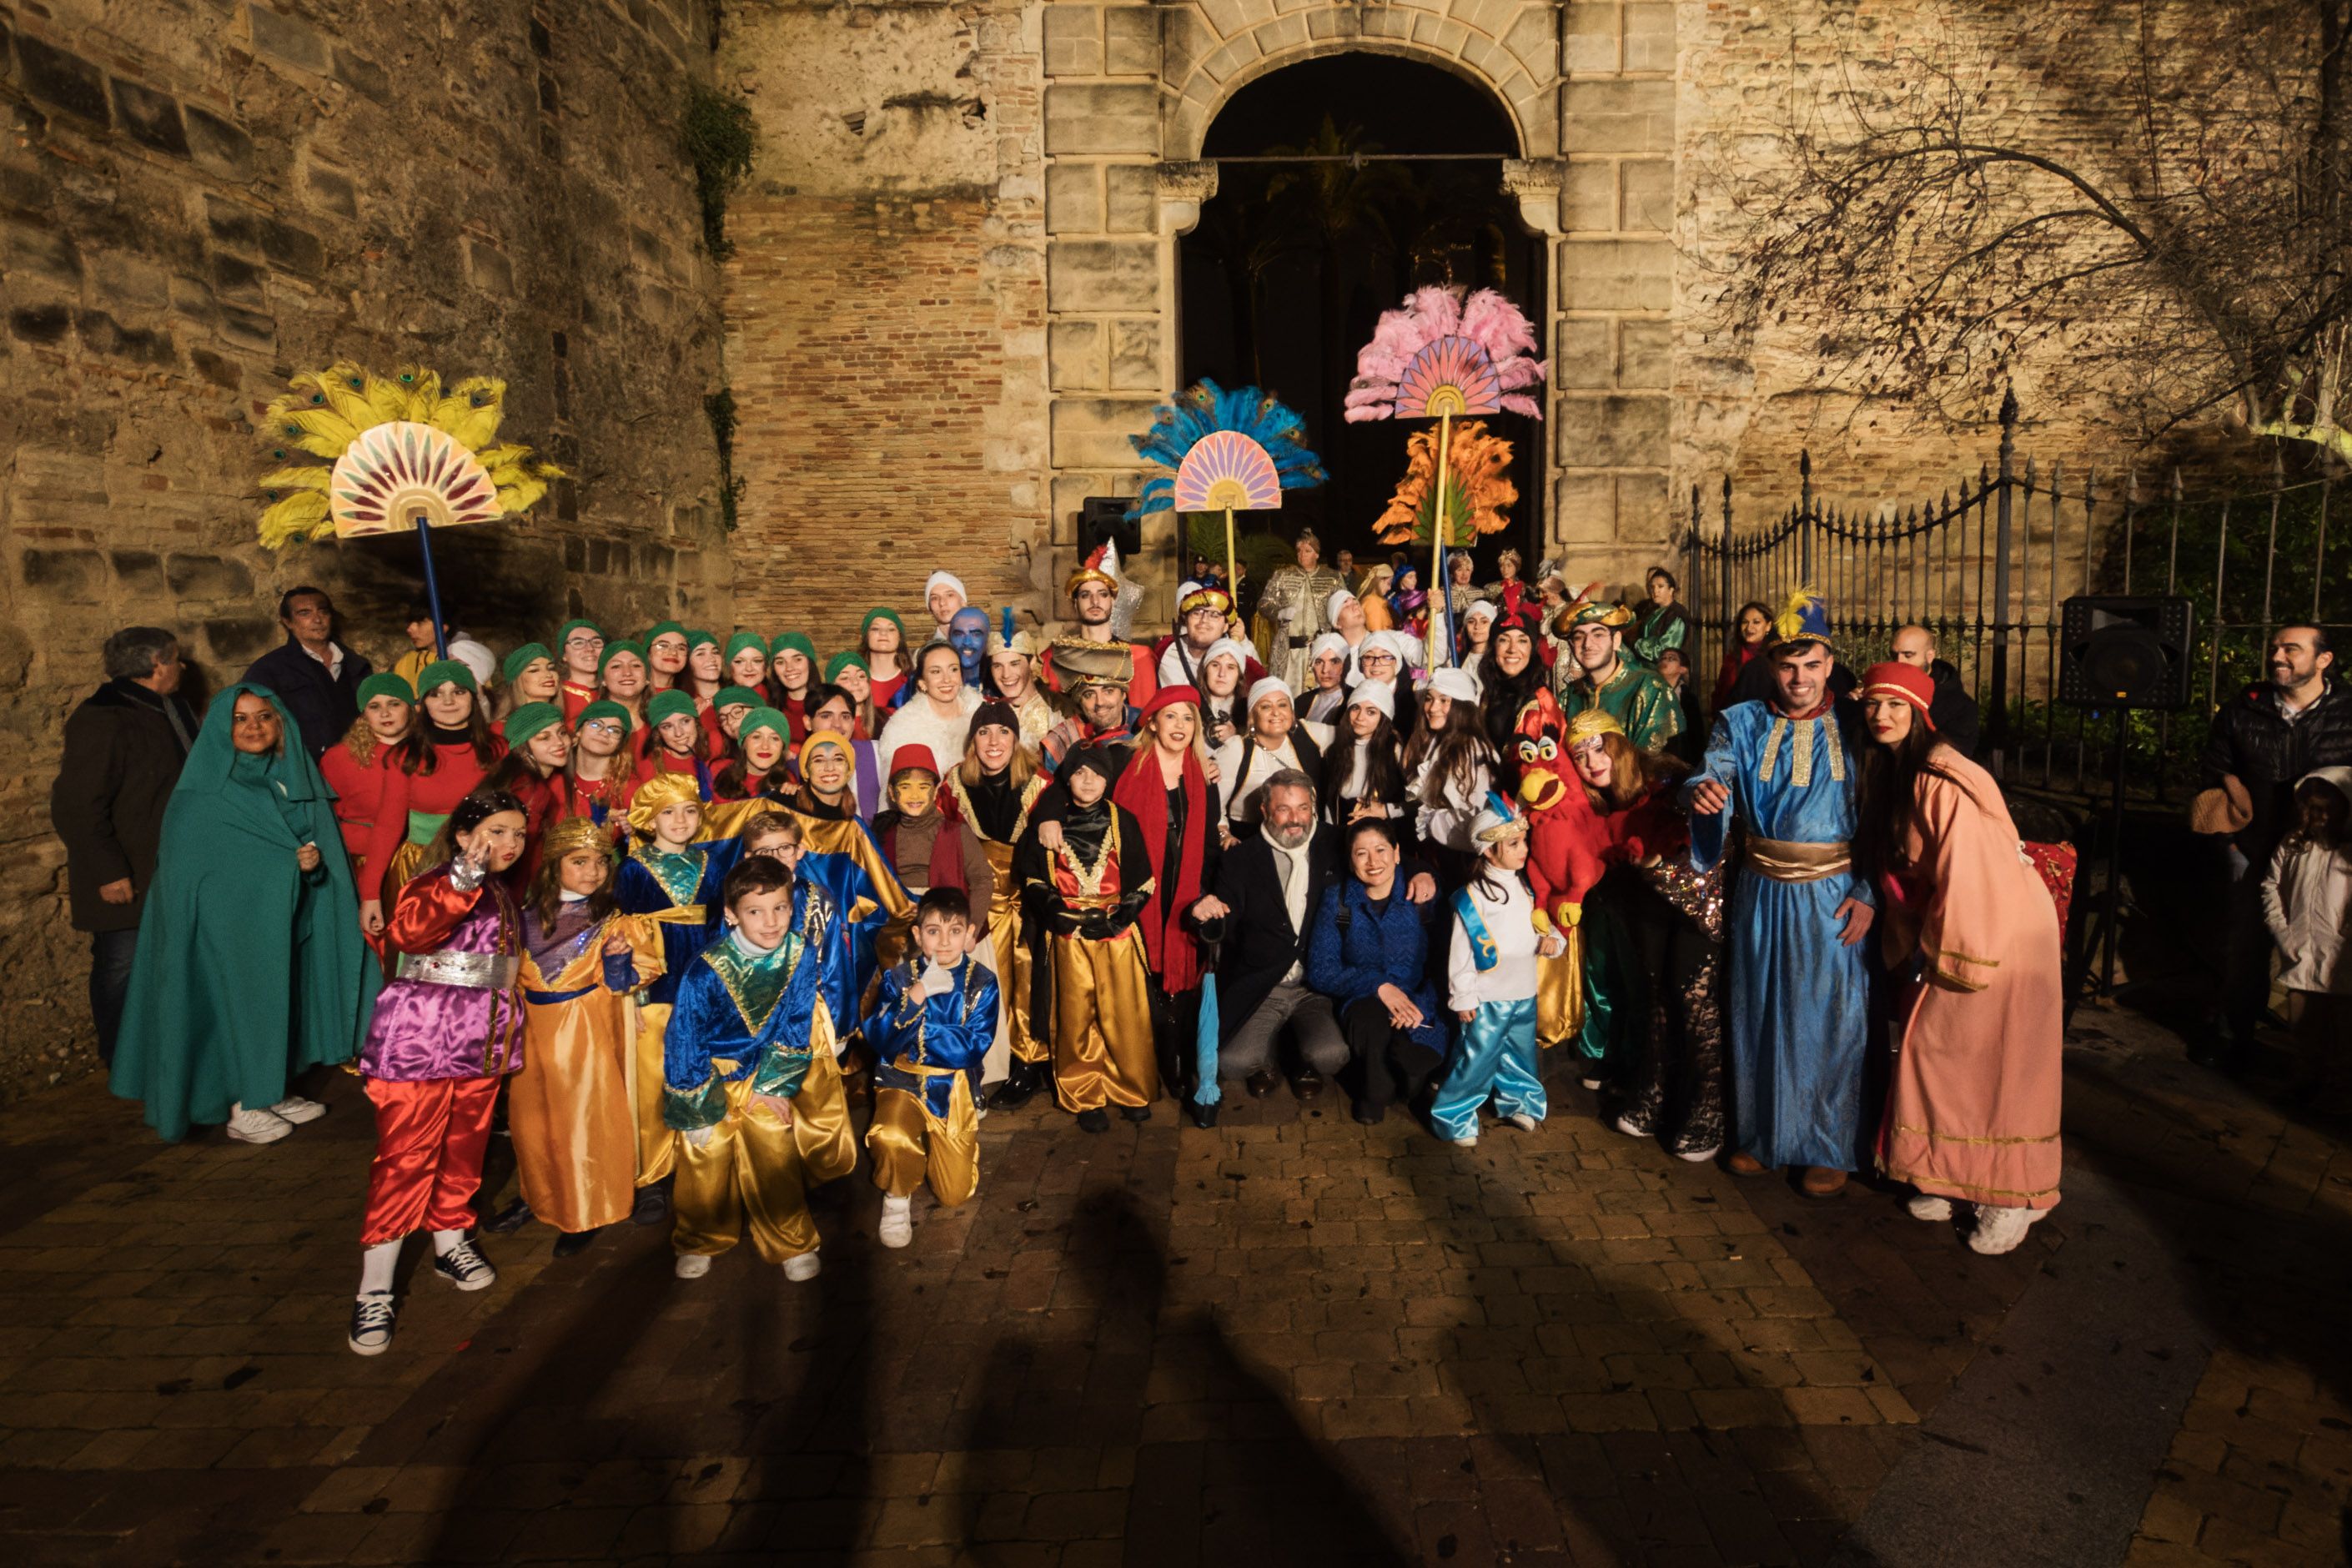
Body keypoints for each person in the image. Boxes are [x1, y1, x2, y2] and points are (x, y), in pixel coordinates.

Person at [1857, 661, 2063, 1253]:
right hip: (1952, 921)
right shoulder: (1902, 770)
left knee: (2000, 1066)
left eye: (1896, 706)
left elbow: (1973, 871)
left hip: (1992, 931)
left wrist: (1958, 955)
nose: (1882, 716)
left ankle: (2013, 1198)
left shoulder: (1943, 778)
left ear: (1921, 715)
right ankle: (1949, 1173)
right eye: (1874, 705)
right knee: (1939, 1056)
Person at [109, 683, 373, 1145]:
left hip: (285, 915)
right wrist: (287, 863)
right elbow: (195, 870)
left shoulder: (290, 775)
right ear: (221, 728)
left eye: (265, 717)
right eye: (241, 719)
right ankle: (243, 1102)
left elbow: (308, 844)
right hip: (224, 928)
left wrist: (306, 868)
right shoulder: (204, 791)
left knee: (286, 997)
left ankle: (270, 1088)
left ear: (281, 723)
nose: (254, 727)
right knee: (242, 1003)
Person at [1683, 596, 1875, 1198]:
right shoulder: (1740, 722)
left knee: (1833, 1019)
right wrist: (1702, 792)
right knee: (1760, 1010)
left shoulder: (1859, 723)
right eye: (1788, 666)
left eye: (1811, 665)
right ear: (1771, 663)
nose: (1799, 679)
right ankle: (1764, 1137)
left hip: (1835, 895)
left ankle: (1828, 1144)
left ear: (1829, 662)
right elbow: (1709, 770)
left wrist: (1870, 890)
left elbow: (1888, 814)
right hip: (1761, 891)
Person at [344, 789, 526, 1354]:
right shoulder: (438, 882)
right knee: (405, 1159)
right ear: (465, 834)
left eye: (518, 834)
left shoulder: (500, 889)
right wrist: (461, 879)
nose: (511, 844)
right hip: (420, 1040)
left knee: (464, 1148)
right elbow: (410, 933)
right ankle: (374, 1288)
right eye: (497, 831)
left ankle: (450, 1242)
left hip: (480, 1041)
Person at [663, 855, 858, 1282]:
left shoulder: (802, 954)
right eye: (755, 911)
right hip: (709, 1076)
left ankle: (791, 1239)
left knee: (773, 1143)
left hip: (763, 1074)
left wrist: (771, 1087)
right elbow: (684, 1038)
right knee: (705, 1151)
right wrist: (696, 1105)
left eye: (781, 909)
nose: (771, 922)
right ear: (732, 915)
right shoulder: (705, 969)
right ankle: (701, 1237)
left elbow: (795, 1024)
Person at [500, 815, 666, 1256]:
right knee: (534, 1122)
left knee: (580, 1123)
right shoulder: (522, 919)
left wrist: (616, 962)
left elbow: (635, 976)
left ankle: (584, 1209)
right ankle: (537, 1196)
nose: (593, 872)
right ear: (554, 866)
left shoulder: (612, 921)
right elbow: (506, 977)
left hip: (585, 1036)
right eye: (579, 862)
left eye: (600, 862)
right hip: (533, 1035)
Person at [2197, 624, 2352, 1068]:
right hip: (2256, 846)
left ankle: (2323, 1063)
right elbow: (2215, 774)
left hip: (2326, 857)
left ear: (2324, 659)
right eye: (2276, 648)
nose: (2278, 656)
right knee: (2244, 949)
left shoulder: (2347, 710)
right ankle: (2230, 1039)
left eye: (2291, 649)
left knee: (2329, 953)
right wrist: (2230, 844)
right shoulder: (2243, 710)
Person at [51, 627, 198, 1065]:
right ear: (156, 664)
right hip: (125, 871)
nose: (182, 666)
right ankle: (122, 1061)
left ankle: (162, 1054)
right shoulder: (103, 716)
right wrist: (108, 871)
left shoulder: (171, 708)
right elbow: (75, 805)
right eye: (175, 658)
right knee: (122, 966)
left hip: (167, 867)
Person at [614, 772, 751, 1226]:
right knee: (652, 1079)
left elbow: (719, 927)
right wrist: (631, 995)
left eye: (690, 811)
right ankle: (652, 1174)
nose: (680, 820)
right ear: (649, 820)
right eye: (668, 812)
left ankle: (702, 1165)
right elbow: (622, 933)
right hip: (656, 985)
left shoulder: (711, 865)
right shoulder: (633, 867)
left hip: (702, 982)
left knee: (698, 1072)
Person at [1016, 746, 1158, 1132]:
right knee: (1075, 1014)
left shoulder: (1122, 820)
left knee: (1124, 1012)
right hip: (1069, 936)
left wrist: (1122, 915)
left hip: (1117, 934)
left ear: (1108, 779)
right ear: (1067, 779)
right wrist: (1056, 911)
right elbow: (1031, 876)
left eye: (1096, 774)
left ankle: (1130, 1087)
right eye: (1080, 774)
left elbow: (1144, 878)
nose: (1089, 781)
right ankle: (1084, 1092)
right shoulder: (1048, 825)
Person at [862, 887, 1000, 1248]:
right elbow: (879, 1038)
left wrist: (914, 1027)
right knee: (890, 1135)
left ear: (970, 936)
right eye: (933, 931)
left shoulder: (983, 983)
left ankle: (925, 1151)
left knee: (955, 1194)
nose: (943, 941)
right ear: (917, 935)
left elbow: (971, 1047)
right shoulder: (899, 978)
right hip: (901, 1081)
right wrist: (919, 993)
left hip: (951, 1089)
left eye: (955, 931)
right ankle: (896, 1195)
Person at [1106, 686, 1224, 1105]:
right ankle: (1135, 1061)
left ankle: (1173, 1056)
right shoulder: (1123, 762)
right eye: (1170, 717)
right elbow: (1075, 788)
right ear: (1152, 721)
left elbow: (1208, 844)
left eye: (1188, 718)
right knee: (1137, 976)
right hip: (1133, 887)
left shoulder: (1202, 776)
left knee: (1177, 979)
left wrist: (1205, 894)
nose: (1180, 726)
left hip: (1184, 888)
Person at [1430, 798, 1565, 1146]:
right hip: (1489, 997)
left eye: (1524, 841)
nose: (1524, 850)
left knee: (1520, 1054)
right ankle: (1454, 1116)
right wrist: (1463, 996)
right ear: (1489, 852)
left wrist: (1553, 940)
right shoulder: (1473, 896)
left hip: (1523, 992)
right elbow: (1460, 952)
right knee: (1477, 1059)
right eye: (1514, 844)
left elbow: (1542, 926)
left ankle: (1520, 1102)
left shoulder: (1527, 886)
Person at [946, 702, 1053, 1105]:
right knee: (990, 982)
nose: (994, 742)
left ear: (1016, 739)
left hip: (1026, 895)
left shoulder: (1040, 785)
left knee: (1026, 977)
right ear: (973, 741)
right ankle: (995, 1059)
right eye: (984, 733)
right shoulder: (954, 783)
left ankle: (1030, 1061)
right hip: (979, 898)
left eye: (1003, 732)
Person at [1308, 819, 1447, 1125]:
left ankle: (1412, 1073)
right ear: (1350, 860)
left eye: (1381, 850)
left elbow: (1443, 965)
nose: (1373, 862)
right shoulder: (1339, 900)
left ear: (1398, 854)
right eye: (1361, 854)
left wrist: (1417, 1004)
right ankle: (1374, 1093)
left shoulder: (1423, 898)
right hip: (1364, 996)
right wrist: (1378, 985)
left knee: (1417, 1048)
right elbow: (1321, 969)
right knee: (1373, 1026)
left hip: (1417, 993)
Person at [359, 661, 506, 936]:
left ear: (474, 699)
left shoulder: (498, 750)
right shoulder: (406, 756)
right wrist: (370, 895)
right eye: (436, 693)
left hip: (488, 864)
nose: (448, 701)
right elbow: (387, 826)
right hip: (423, 869)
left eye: (459, 692)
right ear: (422, 703)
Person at [2260, 767, 2352, 1113]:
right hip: (2299, 951)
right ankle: (2305, 1080)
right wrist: (2283, 931)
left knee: (2344, 1029)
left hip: (2342, 958)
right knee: (2303, 1026)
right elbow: (2271, 886)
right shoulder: (2293, 845)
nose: (2319, 817)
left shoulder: (2347, 852)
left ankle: (2341, 1091)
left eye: (2326, 808)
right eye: (2311, 808)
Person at [239, 585, 373, 757]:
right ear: (287, 622)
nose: (317, 620)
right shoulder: (268, 670)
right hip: (307, 771)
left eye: (323, 612)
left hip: (359, 763)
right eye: (305, 613)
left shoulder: (357, 664)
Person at [873, 744, 993, 912]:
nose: (914, 795)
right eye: (905, 787)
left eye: (923, 787)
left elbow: (982, 879)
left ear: (936, 791)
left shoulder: (957, 833)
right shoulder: (882, 834)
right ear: (892, 793)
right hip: (897, 922)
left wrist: (971, 927)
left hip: (950, 921)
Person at [1555, 599, 1683, 752]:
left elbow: (1659, 763)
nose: (1587, 644)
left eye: (1598, 635)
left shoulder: (1650, 688)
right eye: (1579, 637)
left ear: (1616, 641)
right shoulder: (1569, 696)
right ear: (1571, 646)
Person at [1042, 546, 1158, 705]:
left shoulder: (1136, 658)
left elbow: (1142, 715)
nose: (1095, 602)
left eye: (1103, 594)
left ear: (1112, 600)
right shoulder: (1055, 656)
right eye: (1085, 595)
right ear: (1075, 603)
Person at [1212, 678, 1324, 837]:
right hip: (1249, 838)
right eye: (1266, 707)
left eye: (1282, 705)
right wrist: (1224, 836)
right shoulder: (1236, 749)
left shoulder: (1309, 734)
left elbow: (1356, 733)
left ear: (1292, 713)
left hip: (1301, 834)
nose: (1276, 712)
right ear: (1252, 716)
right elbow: (1213, 806)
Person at [1402, 665, 1492, 857]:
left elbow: (1473, 821)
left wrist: (1432, 821)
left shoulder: (1470, 751)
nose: (1433, 708)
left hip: (1459, 858)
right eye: (1429, 699)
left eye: (1444, 700)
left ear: (1462, 707)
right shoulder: (1438, 742)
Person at [1252, 529, 1348, 690]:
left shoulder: (1332, 577)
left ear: (1316, 554)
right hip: (1288, 650)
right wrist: (1278, 613)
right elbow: (1263, 604)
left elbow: (1344, 606)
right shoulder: (1282, 575)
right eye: (1299, 551)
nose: (1302, 554)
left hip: (1320, 649)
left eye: (1308, 551)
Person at [878, 641, 984, 778]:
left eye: (953, 669)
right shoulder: (903, 727)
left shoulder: (981, 713)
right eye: (936, 672)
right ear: (922, 683)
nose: (947, 679)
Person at [1038, 643, 1138, 773]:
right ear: (1080, 700)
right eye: (1089, 694)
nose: (1100, 702)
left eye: (1108, 691)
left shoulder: (1146, 727)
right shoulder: (1062, 740)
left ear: (1123, 694)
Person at [1321, 681, 1408, 827]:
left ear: (1384, 717)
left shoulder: (1395, 749)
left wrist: (1387, 811)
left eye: (1371, 712)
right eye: (1355, 708)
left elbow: (1417, 805)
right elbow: (1329, 803)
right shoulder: (1336, 750)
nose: (1360, 717)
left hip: (1384, 836)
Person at [1889, 624, 1981, 757]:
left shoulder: (1960, 707)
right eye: (1894, 654)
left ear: (1930, 656)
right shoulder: (1883, 691)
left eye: (1908, 655)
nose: (1899, 662)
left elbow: (1953, 757)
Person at [389, 599, 496, 692]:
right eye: (410, 623)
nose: (410, 629)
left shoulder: (468, 659)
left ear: (443, 627)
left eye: (420, 622)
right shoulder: (406, 663)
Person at [563, 701, 636, 836]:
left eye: (614, 730)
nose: (604, 733)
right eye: (596, 725)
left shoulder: (629, 787)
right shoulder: (557, 780)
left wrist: (633, 831)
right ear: (579, 730)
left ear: (620, 743)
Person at [983, 621, 1058, 750]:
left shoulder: (1055, 712)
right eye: (997, 666)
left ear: (1032, 662)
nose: (1006, 675)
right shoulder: (989, 713)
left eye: (1014, 664)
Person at [634, 689, 716, 796]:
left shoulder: (714, 752)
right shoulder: (650, 768)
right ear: (658, 733)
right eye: (667, 726)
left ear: (696, 721)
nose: (679, 733)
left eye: (685, 721)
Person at [1711, 601, 1774, 712]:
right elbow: (1721, 695)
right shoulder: (1732, 659)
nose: (1749, 628)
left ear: (1768, 626)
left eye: (1756, 622)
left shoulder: (1775, 657)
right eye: (1745, 622)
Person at [1629, 567, 1691, 669]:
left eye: (1660, 586)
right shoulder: (1652, 611)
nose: (1655, 591)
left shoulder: (1677, 614)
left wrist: (1636, 643)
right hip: (1645, 668)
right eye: (1652, 587)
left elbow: (1664, 651)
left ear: (1671, 590)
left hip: (1664, 672)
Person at [860, 608, 916, 713]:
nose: (883, 633)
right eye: (875, 629)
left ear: (900, 638)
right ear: (866, 636)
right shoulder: (853, 684)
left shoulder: (914, 682)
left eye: (891, 629)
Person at [767, 632, 821, 742]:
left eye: (797, 659)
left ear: (810, 663)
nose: (789, 668)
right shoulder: (769, 709)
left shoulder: (829, 703)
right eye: (780, 662)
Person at [596, 639, 652, 741]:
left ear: (647, 678)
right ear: (603, 680)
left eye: (636, 665)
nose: (627, 673)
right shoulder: (591, 725)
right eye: (616, 666)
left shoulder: (663, 722)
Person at [492, 642, 561, 726]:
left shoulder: (563, 720)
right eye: (534, 670)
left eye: (551, 668)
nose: (549, 674)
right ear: (517, 681)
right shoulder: (502, 728)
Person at [555, 619, 605, 724]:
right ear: (564, 655)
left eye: (596, 642)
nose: (590, 648)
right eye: (578, 643)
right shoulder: (555, 696)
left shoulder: (614, 691)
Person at [1300, 633, 1351, 727]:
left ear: (1345, 665)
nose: (1325, 670)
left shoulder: (1355, 701)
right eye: (1319, 662)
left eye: (1334, 662)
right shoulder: (1301, 701)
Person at [643, 621, 692, 693]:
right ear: (648, 652)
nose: (673, 653)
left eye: (681, 648)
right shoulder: (631, 694)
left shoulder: (690, 699)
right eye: (663, 646)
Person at [724, 632, 771, 701]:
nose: (749, 669)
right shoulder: (717, 703)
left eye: (757, 661)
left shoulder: (781, 703)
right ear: (729, 666)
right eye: (739, 662)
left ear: (765, 665)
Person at [925, 570, 969, 641]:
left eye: (950, 595)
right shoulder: (925, 651)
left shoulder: (987, 648)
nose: (942, 603)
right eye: (935, 598)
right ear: (929, 606)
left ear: (963, 601)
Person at [1455, 599, 1496, 671]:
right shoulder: (1455, 660)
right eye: (1471, 622)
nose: (1477, 626)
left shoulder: (1499, 661)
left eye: (1484, 622)